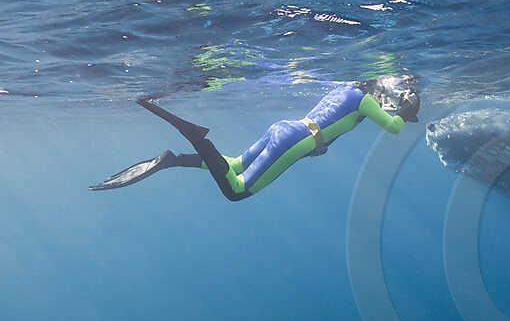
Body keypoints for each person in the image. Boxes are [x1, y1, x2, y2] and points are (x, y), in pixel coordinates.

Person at [89, 75, 420, 201]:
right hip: (298, 140)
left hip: (287, 129)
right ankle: (193, 136)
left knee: (232, 165)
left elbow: (332, 121)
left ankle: (173, 161)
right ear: (377, 89)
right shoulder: (365, 101)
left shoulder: (345, 89)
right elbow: (394, 128)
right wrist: (406, 109)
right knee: (236, 190)